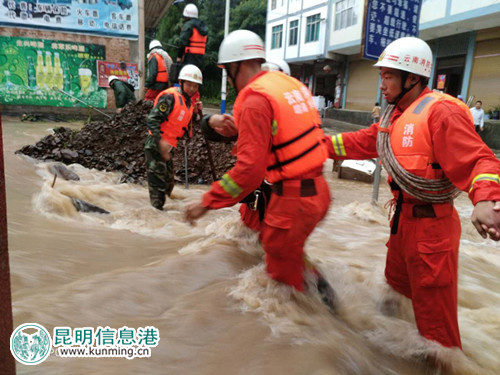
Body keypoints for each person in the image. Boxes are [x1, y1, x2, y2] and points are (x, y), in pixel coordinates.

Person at [327, 37, 500, 360]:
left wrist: (485, 200)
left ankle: (440, 366)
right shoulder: (393, 116)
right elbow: (363, 141)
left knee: (437, 332)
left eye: (387, 76)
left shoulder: (441, 113)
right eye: (381, 76)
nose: (381, 84)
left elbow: (481, 160)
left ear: (412, 78)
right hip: (401, 225)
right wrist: (314, 145)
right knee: (395, 295)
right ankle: (394, 359)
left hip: (432, 232)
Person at [185, 30, 332, 294]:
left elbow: (248, 172)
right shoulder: (288, 85)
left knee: (282, 277)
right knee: (289, 256)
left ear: (234, 67)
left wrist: (206, 202)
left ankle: (313, 322)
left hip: (291, 200)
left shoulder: (254, 100)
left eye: (227, 71)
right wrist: (217, 124)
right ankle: (326, 304)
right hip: (317, 192)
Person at [145, 64, 203, 210]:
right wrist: (160, 142)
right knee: (158, 188)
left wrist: (195, 112)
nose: (192, 89)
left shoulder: (188, 101)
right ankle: (155, 216)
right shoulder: (170, 97)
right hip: (156, 144)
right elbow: (152, 119)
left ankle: (163, 215)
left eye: (195, 86)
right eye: (189, 84)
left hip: (169, 146)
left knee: (168, 184)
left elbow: (183, 121)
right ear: (181, 82)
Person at [177, 4, 208, 71]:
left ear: (187, 16)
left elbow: (182, 42)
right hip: (201, 59)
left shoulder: (188, 25)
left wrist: (179, 56)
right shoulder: (203, 26)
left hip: (190, 58)